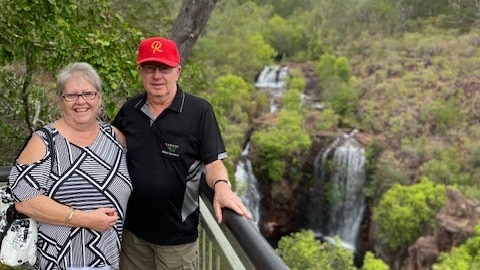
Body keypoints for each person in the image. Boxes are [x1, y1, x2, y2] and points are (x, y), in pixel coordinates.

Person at [112, 36, 253, 270]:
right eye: (150, 68)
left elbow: (212, 162)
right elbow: (105, 149)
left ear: (177, 71)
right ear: (141, 72)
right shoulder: (130, 110)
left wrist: (222, 186)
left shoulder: (199, 111)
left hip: (176, 240)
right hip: (132, 234)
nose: (157, 75)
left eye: (164, 68)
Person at [8, 62, 132, 270]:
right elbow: (24, 201)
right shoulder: (45, 141)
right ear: (61, 100)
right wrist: (86, 219)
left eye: (88, 94)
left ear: (99, 98)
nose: (81, 101)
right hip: (60, 261)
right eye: (72, 95)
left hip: (110, 259)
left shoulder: (115, 139)